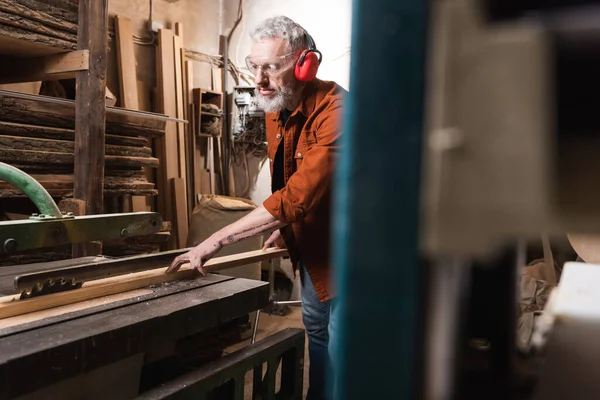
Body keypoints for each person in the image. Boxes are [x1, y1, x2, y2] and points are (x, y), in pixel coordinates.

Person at [166, 15, 346, 400]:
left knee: (345, 345)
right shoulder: (275, 106)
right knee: (316, 330)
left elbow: (298, 195)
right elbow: (287, 181)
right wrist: (285, 227)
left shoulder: (338, 112)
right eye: (254, 66)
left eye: (271, 68)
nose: (259, 80)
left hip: (356, 253)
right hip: (315, 248)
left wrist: (215, 241)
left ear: (304, 65)